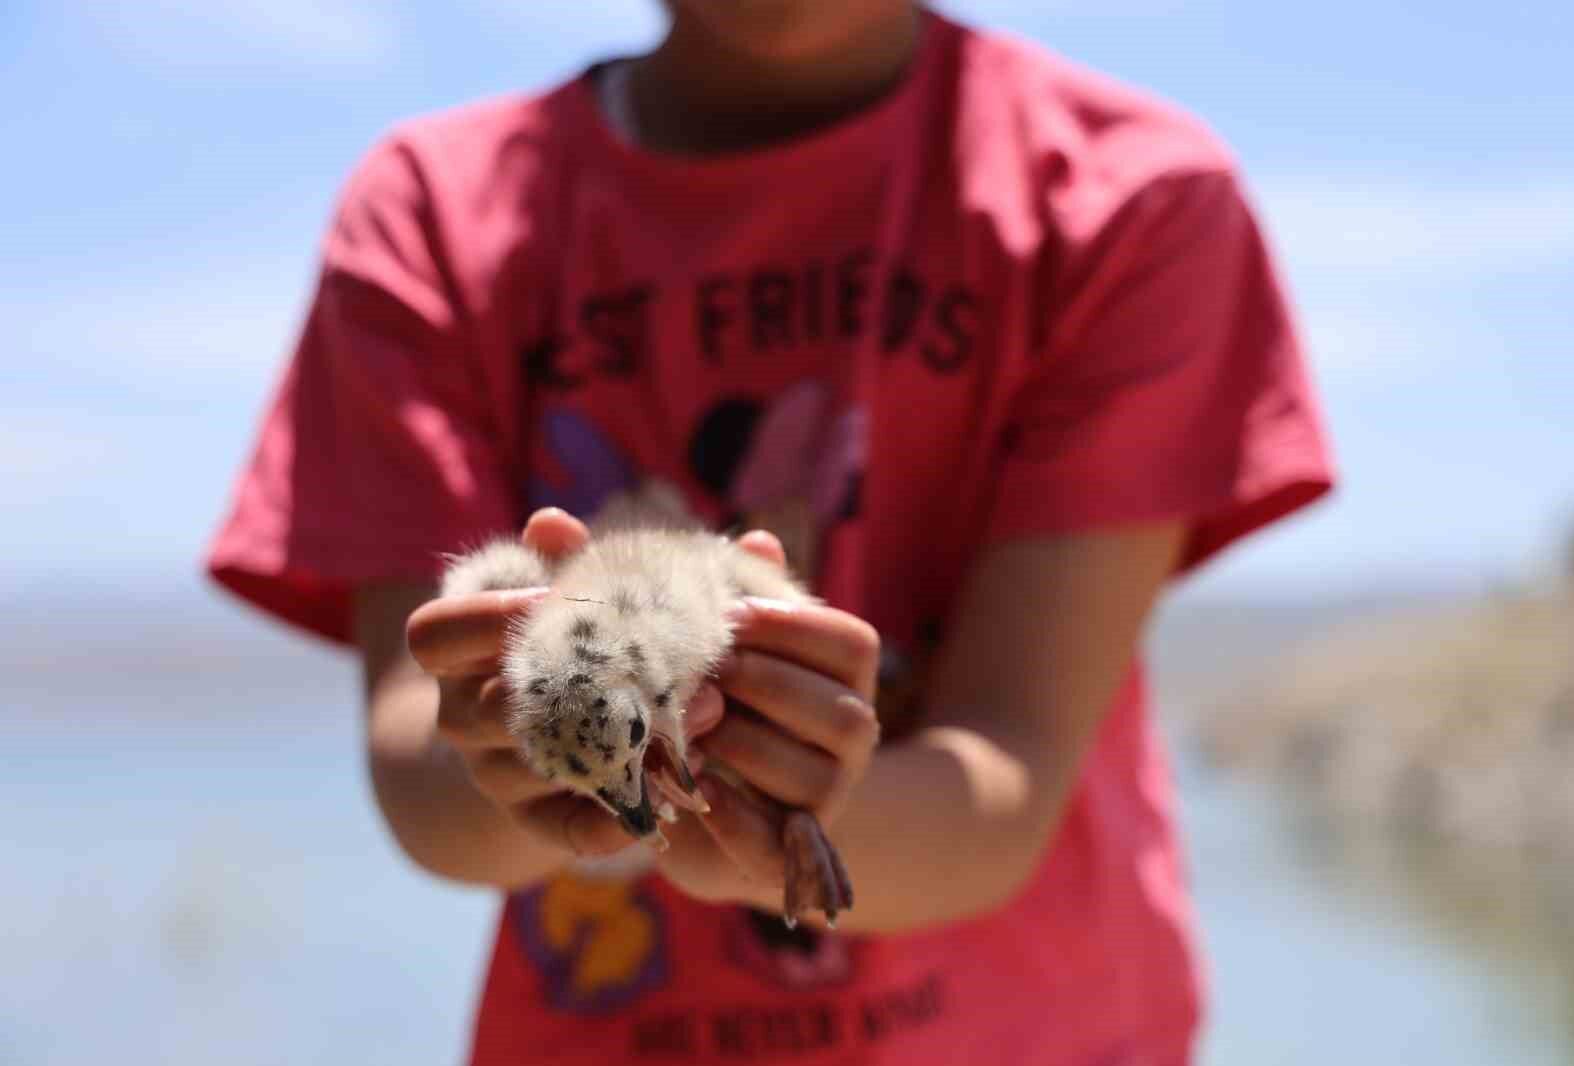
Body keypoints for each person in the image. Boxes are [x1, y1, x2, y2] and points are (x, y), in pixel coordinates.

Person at [205, 2, 1335, 1063]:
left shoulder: (1127, 194)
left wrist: (784, 817)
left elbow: (1004, 779)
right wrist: (519, 768)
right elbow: (422, 759)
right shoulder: (431, 212)